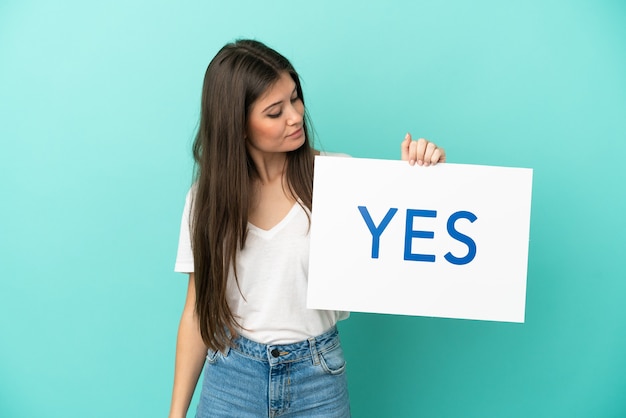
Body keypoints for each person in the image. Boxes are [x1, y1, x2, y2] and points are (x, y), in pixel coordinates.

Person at [168, 39, 445, 418]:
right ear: (239, 126)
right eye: (274, 111)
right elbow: (197, 311)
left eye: (295, 98)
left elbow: (402, 240)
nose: (295, 116)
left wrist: (419, 179)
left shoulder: (338, 178)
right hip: (232, 375)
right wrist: (175, 413)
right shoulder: (206, 200)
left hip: (318, 375)